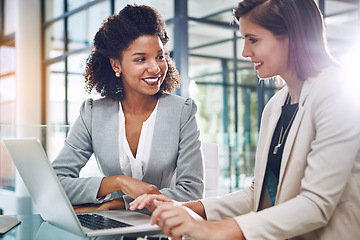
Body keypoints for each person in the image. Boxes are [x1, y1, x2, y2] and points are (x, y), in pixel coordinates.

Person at [129, 0, 360, 239]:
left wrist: (215, 230)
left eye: (253, 39)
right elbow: (257, 194)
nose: (245, 52)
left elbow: (316, 204)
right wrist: (183, 209)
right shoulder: (276, 105)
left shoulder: (337, 91)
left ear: (293, 35)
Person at [52, 4, 204, 213]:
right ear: (117, 65)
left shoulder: (182, 112)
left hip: (162, 227)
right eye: (141, 59)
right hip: (110, 228)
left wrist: (116, 204)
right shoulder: (93, 114)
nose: (155, 67)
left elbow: (191, 192)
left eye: (159, 56)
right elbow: (56, 182)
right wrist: (118, 182)